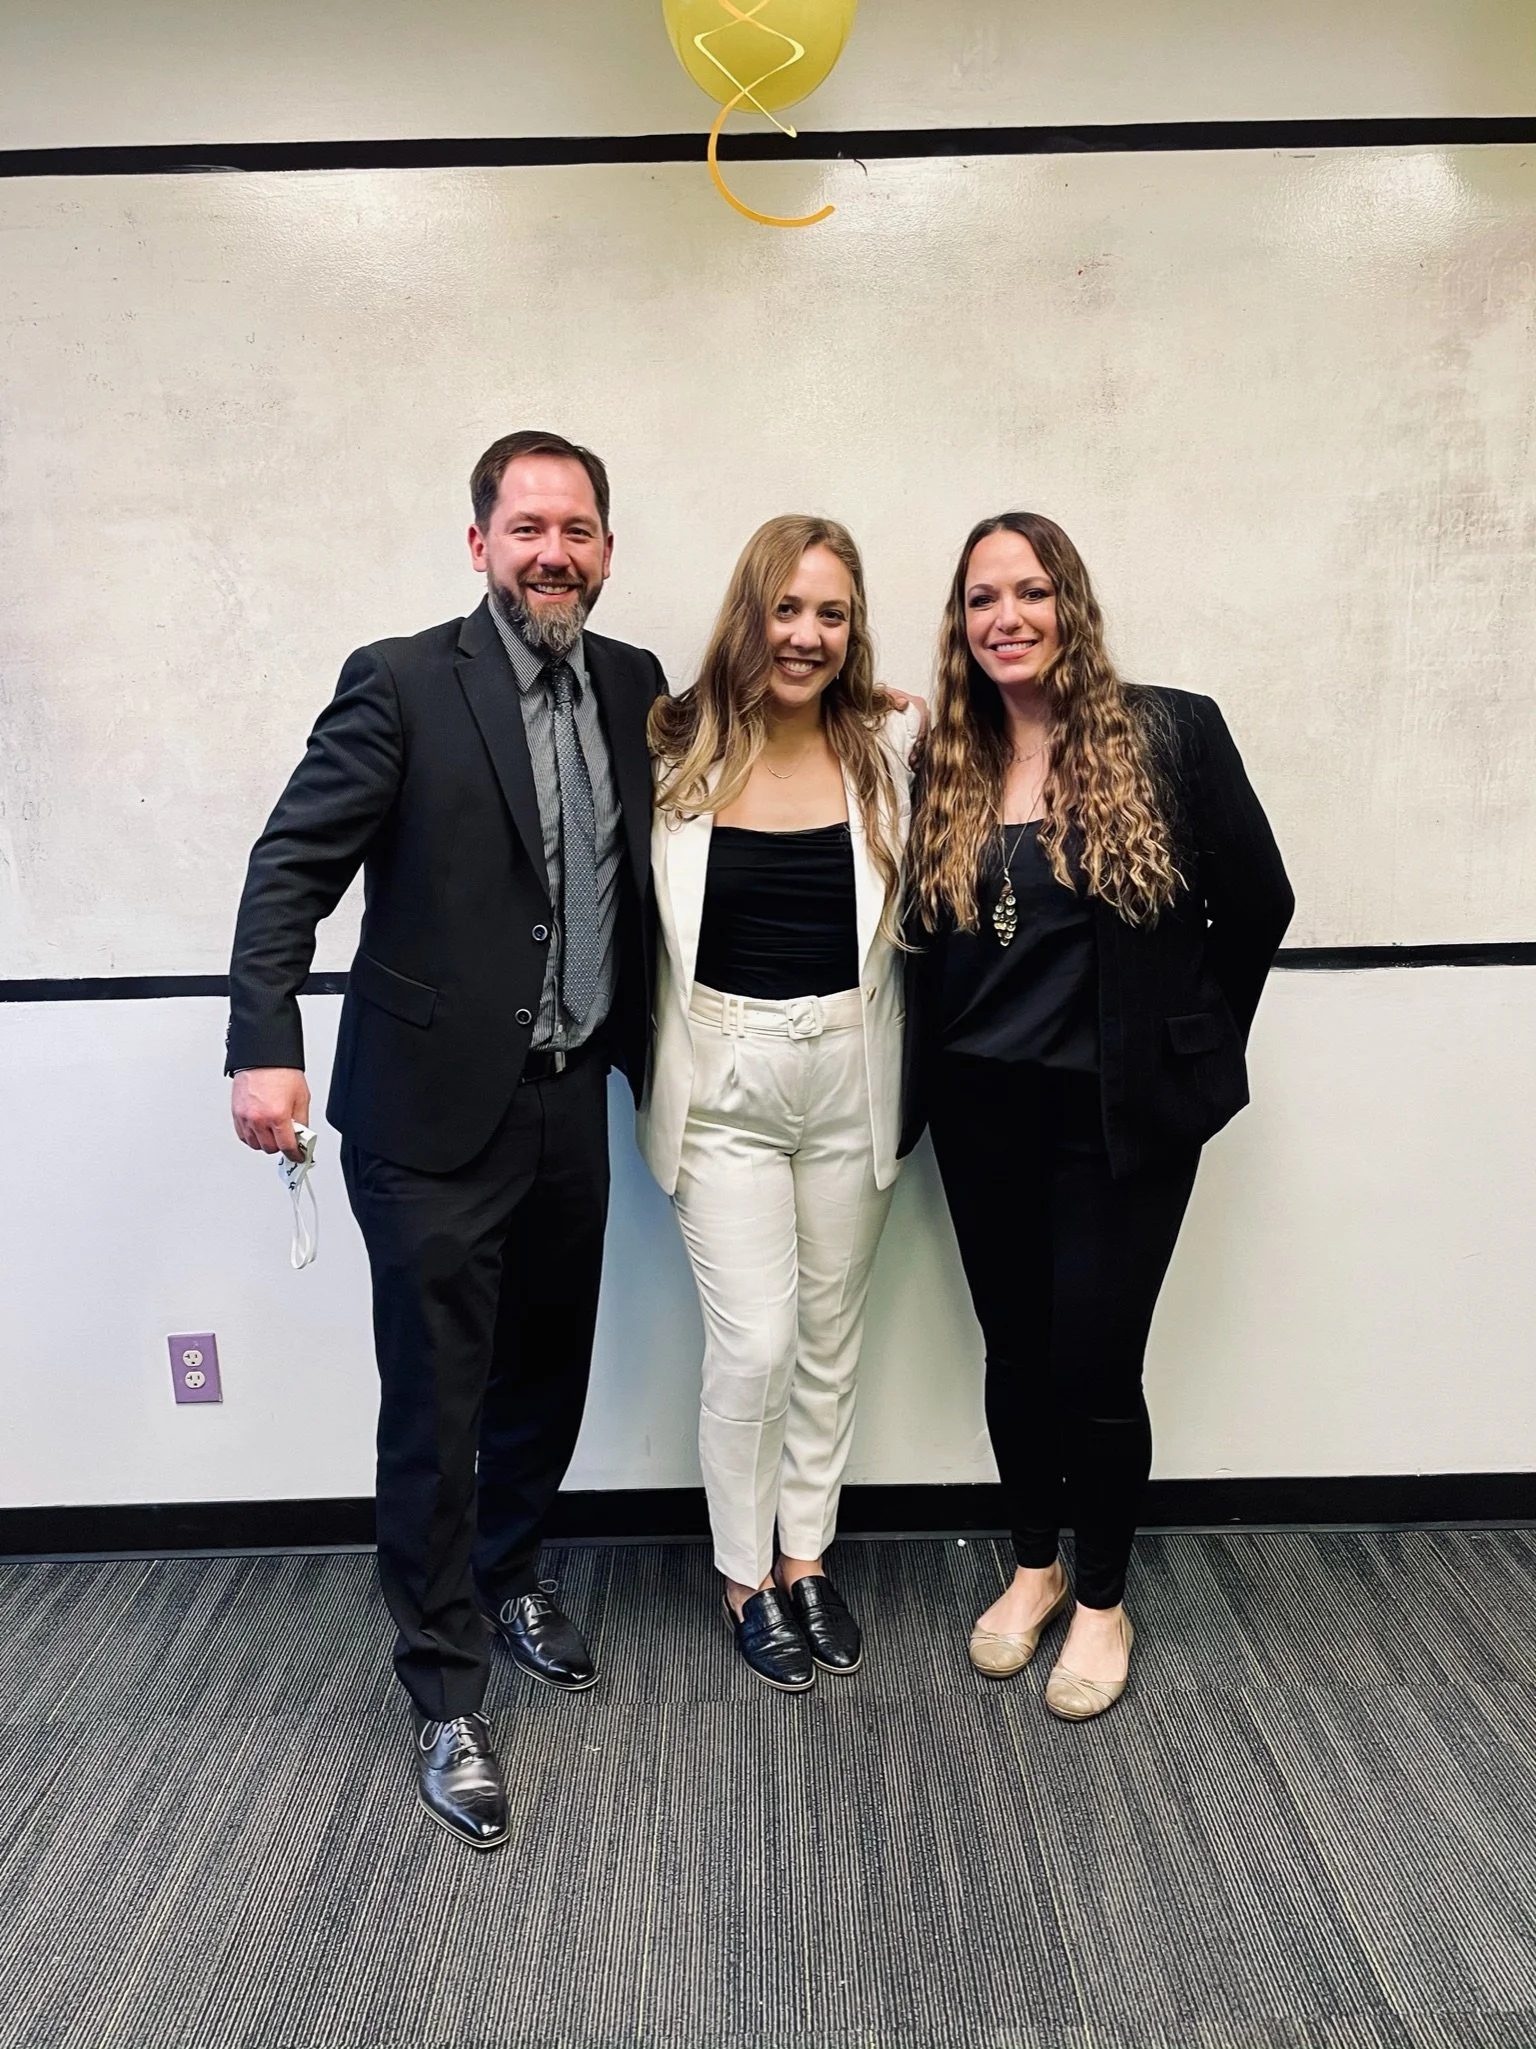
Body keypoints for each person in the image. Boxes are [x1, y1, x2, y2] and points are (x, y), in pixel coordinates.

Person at [227, 430, 667, 1846]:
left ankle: (512, 1566)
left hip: (568, 1098)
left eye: (579, 529)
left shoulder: (633, 684)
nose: (555, 552)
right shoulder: (403, 680)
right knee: (438, 1405)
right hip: (426, 1119)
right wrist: (264, 1041)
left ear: (607, 550)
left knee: (547, 1366)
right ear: (478, 542)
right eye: (528, 526)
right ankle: (443, 1685)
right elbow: (291, 861)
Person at [902, 511, 1293, 1720]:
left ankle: (1107, 1601)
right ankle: (1034, 1566)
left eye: (1028, 592)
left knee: (1097, 1367)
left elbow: (1260, 904)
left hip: (1120, 1121)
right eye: (981, 601)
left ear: (1070, 601)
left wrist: (1191, 1046)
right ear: (961, 627)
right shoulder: (945, 760)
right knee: (1014, 1354)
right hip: (980, 1114)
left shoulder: (1169, 730)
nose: (1005, 619)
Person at [639, 516, 924, 1690]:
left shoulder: (892, 745)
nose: (806, 635)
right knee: (752, 1343)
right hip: (723, 1084)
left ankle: (806, 1558)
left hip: (852, 1075)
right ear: (748, 610)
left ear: (854, 631)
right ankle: (741, 1573)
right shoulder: (668, 748)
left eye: (833, 613)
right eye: (788, 607)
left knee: (826, 1338)